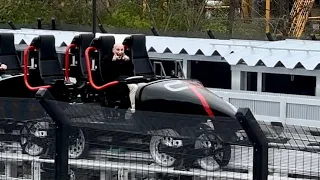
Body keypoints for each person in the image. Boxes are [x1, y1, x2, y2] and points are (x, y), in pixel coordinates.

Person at [108, 43, 145, 116]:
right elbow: (110, 74)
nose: (120, 52)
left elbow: (130, 71)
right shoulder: (108, 59)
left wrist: (127, 61)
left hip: (127, 79)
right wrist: (114, 62)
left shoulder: (126, 59)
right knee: (133, 87)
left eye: (122, 50)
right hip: (116, 81)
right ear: (113, 50)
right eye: (118, 50)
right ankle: (133, 108)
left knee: (142, 86)